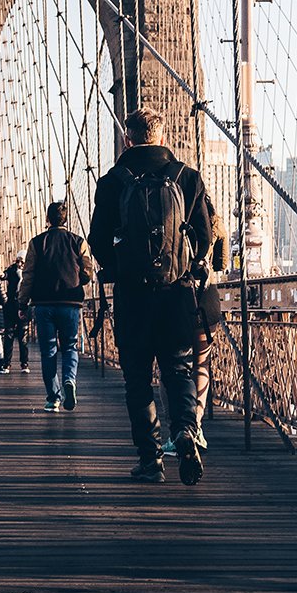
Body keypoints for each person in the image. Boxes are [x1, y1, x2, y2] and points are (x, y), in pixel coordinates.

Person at [87, 106, 219, 485]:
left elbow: (97, 240)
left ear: (127, 140)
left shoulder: (113, 180)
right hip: (177, 295)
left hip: (132, 297)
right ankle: (185, 432)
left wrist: (117, 266)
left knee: (137, 381)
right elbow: (205, 238)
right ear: (163, 138)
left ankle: (150, 460)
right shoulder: (186, 176)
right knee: (178, 370)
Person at [20, 201, 95, 411]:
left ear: (47, 219)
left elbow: (28, 276)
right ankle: (69, 380)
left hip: (43, 304)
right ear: (66, 219)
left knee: (48, 350)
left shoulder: (36, 243)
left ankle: (53, 398)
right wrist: (77, 277)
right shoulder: (79, 242)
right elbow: (88, 272)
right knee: (70, 346)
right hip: (70, 302)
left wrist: (22, 303)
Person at [2, 257, 30, 372]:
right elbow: (3, 276)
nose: (19, 264)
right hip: (11, 308)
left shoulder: (29, 273)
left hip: (23, 309)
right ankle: (6, 364)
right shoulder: (11, 271)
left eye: (22, 262)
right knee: (8, 337)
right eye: (18, 261)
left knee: (23, 338)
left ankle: (24, 363)